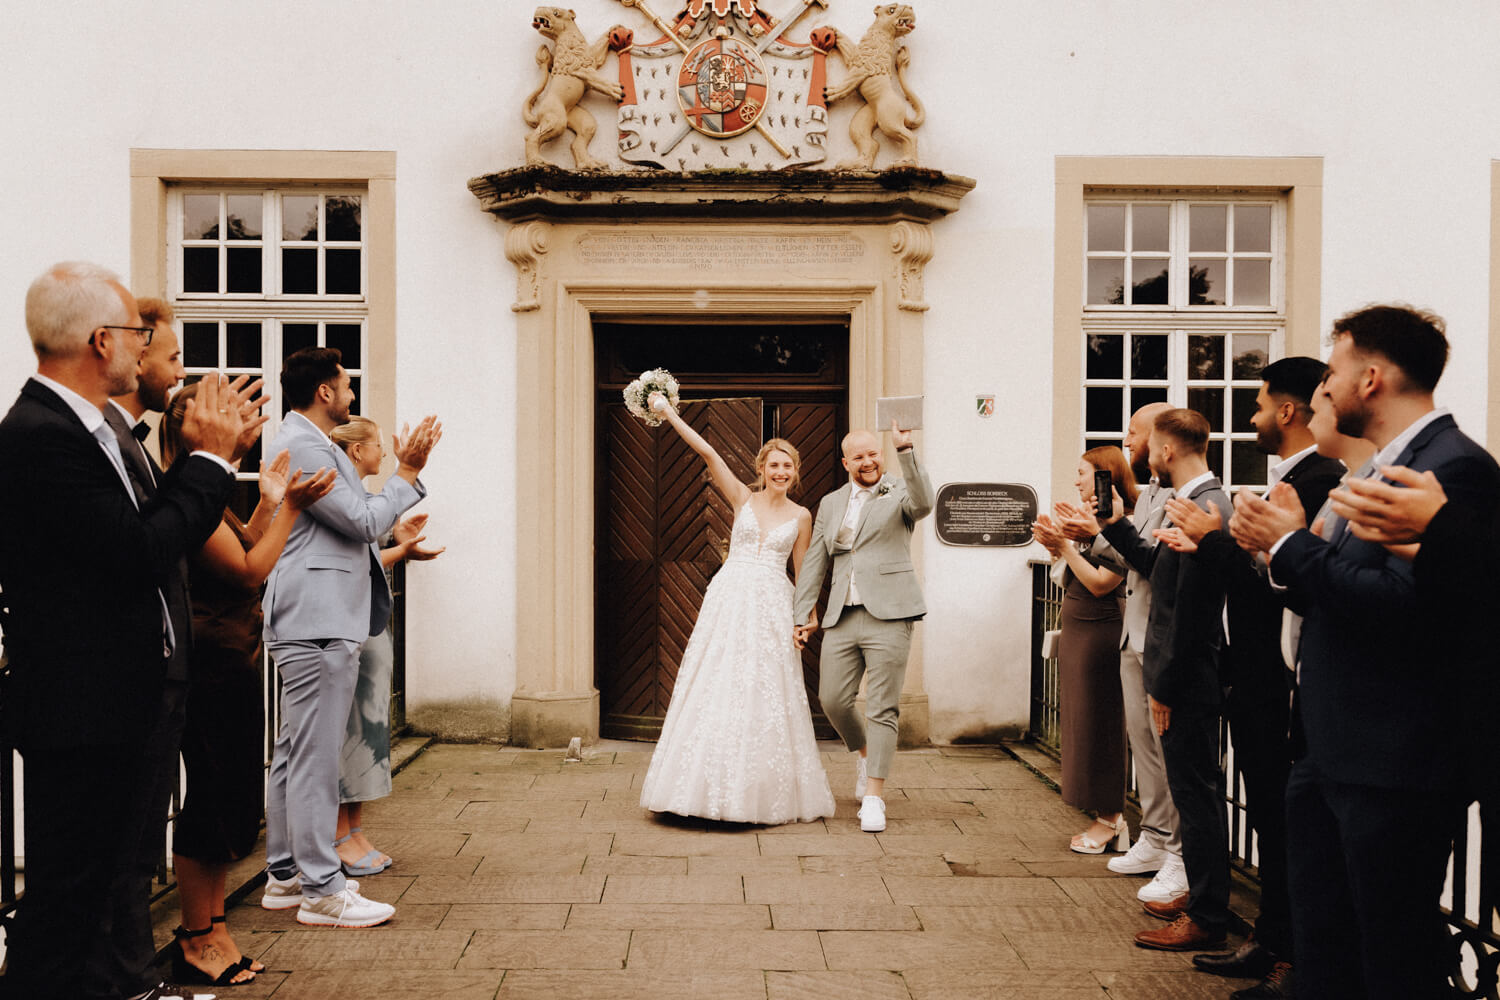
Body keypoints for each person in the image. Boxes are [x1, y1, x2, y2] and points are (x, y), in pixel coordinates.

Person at [1229, 304, 1500, 999]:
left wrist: (1293, 547)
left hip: (1392, 758)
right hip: (1333, 749)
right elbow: (1338, 597)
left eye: (1337, 369)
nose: (1329, 385)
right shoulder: (1383, 466)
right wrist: (1281, 552)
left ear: (1371, 378)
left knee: (1391, 957)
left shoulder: (1452, 469)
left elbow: (1409, 606)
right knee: (1326, 950)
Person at [0, 262, 244, 1000]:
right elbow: (138, 551)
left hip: (123, 697)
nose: (145, 348)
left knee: (114, 880)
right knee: (68, 900)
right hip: (83, 706)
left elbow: (144, 528)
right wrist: (208, 460)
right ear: (100, 340)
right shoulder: (42, 435)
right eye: (138, 335)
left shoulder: (95, 427)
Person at [1153, 357, 1344, 997]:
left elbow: (1280, 587)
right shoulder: (1281, 482)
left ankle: (1292, 952)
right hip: (1254, 674)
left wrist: (1214, 543)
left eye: (1259, 404)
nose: (1253, 416)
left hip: (1279, 681)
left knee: (1287, 824)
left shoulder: (1320, 479)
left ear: (1286, 412)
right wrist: (1211, 545)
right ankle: (1272, 939)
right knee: (1267, 814)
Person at [259, 347, 440, 928]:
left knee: (293, 753)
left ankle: (286, 875)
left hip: (313, 613)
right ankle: (321, 889)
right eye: (346, 385)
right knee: (314, 759)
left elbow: (353, 520)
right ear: (324, 392)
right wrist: (408, 472)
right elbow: (363, 520)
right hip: (319, 618)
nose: (353, 396)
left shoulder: (307, 440)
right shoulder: (310, 444)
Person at [161, 385, 335, 987]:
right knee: (210, 796)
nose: (247, 426)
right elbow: (250, 571)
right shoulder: (188, 487)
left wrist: (267, 504)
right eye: (235, 417)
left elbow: (242, 546)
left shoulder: (209, 492)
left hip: (232, 657)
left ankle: (213, 925)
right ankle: (195, 934)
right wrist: (294, 507)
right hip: (210, 662)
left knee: (230, 794)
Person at [638, 393, 834, 823]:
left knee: (763, 689)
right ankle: (697, 789)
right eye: (773, 464)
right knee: (717, 680)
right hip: (729, 598)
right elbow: (707, 451)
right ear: (761, 469)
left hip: (771, 604)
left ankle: (754, 795)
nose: (780, 472)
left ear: (795, 473)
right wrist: (669, 413)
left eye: (788, 466)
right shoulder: (743, 499)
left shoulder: (802, 516)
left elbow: (802, 573)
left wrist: (808, 617)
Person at [1085, 408, 1232, 952]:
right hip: (1174, 664)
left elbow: (1186, 608)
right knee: (1191, 787)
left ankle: (1204, 910)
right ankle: (1199, 899)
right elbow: (1158, 566)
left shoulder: (1206, 504)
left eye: (1148, 446)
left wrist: (1165, 683)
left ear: (1167, 450)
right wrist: (1115, 524)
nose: (1140, 454)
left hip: (1184, 671)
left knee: (1195, 790)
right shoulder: (1188, 501)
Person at [1057, 402, 1188, 905]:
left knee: (1165, 751)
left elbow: (1139, 566)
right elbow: (1133, 557)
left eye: (1134, 432)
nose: (1128, 440)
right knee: (1145, 748)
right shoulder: (1152, 493)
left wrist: (1088, 538)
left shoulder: (1177, 497)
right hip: (1132, 635)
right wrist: (1084, 537)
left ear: (1160, 440)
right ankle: (1155, 838)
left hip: (1152, 634)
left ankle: (1176, 850)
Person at [792, 420, 933, 834]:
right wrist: (804, 614)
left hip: (890, 613)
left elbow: (924, 504)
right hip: (842, 615)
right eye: (859, 456)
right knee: (832, 699)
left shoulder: (901, 489)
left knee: (882, 706)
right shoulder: (831, 502)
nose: (868, 461)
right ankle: (866, 753)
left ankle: (874, 797)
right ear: (845, 462)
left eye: (874, 454)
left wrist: (906, 451)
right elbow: (816, 560)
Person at [329, 416, 445, 874]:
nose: (382, 451)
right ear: (356, 451)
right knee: (350, 734)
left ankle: (355, 829)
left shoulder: (361, 496)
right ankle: (339, 834)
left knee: (368, 734)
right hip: (352, 626)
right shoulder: (340, 495)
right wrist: (401, 549)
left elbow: (367, 553)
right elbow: (357, 556)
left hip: (371, 626)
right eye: (376, 443)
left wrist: (399, 543)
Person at [1031, 447, 1134, 854]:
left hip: (1101, 629)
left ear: (1105, 476)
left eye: (1082, 472)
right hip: (1078, 626)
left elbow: (1099, 582)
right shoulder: (1094, 519)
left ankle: (1112, 819)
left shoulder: (1119, 520)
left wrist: (1069, 545)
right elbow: (1069, 577)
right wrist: (1057, 548)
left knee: (1102, 724)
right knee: (1080, 723)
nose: (1076, 481)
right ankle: (1101, 813)